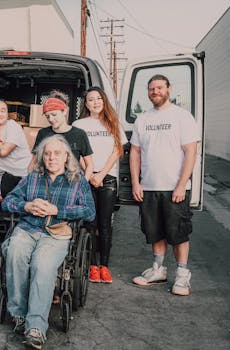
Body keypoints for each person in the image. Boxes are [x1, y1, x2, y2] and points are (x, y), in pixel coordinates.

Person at [2, 135, 95, 349]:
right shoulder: (32, 178)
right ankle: (18, 314)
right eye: (47, 153)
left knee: (41, 264)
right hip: (27, 229)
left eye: (57, 153)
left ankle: (36, 326)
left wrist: (57, 210)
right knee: (15, 252)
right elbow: (8, 202)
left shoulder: (78, 180)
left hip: (56, 233)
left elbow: (89, 212)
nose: (52, 157)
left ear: (66, 157)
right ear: (42, 157)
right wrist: (27, 206)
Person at [129, 74, 200, 296]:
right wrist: (136, 182)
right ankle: (158, 270)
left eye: (159, 87)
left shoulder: (182, 117)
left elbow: (191, 152)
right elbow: (135, 152)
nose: (155, 91)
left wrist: (181, 185)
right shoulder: (142, 119)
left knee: (178, 233)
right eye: (151, 89)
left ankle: (182, 275)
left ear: (169, 89)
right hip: (149, 186)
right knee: (155, 231)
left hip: (174, 188)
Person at [73, 86, 128, 284]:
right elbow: (76, 152)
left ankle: (104, 266)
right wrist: (91, 173)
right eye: (90, 99)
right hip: (87, 178)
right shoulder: (79, 124)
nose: (95, 102)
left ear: (104, 101)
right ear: (86, 104)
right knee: (90, 223)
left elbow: (117, 151)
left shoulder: (113, 123)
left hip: (108, 178)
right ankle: (91, 266)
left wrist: (102, 174)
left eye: (98, 99)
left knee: (105, 224)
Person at [29, 90, 94, 180]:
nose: (51, 119)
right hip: (46, 183)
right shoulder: (43, 133)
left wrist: (82, 186)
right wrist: (29, 181)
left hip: (71, 183)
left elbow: (90, 165)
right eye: (47, 116)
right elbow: (33, 162)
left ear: (64, 111)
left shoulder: (79, 134)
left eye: (54, 114)